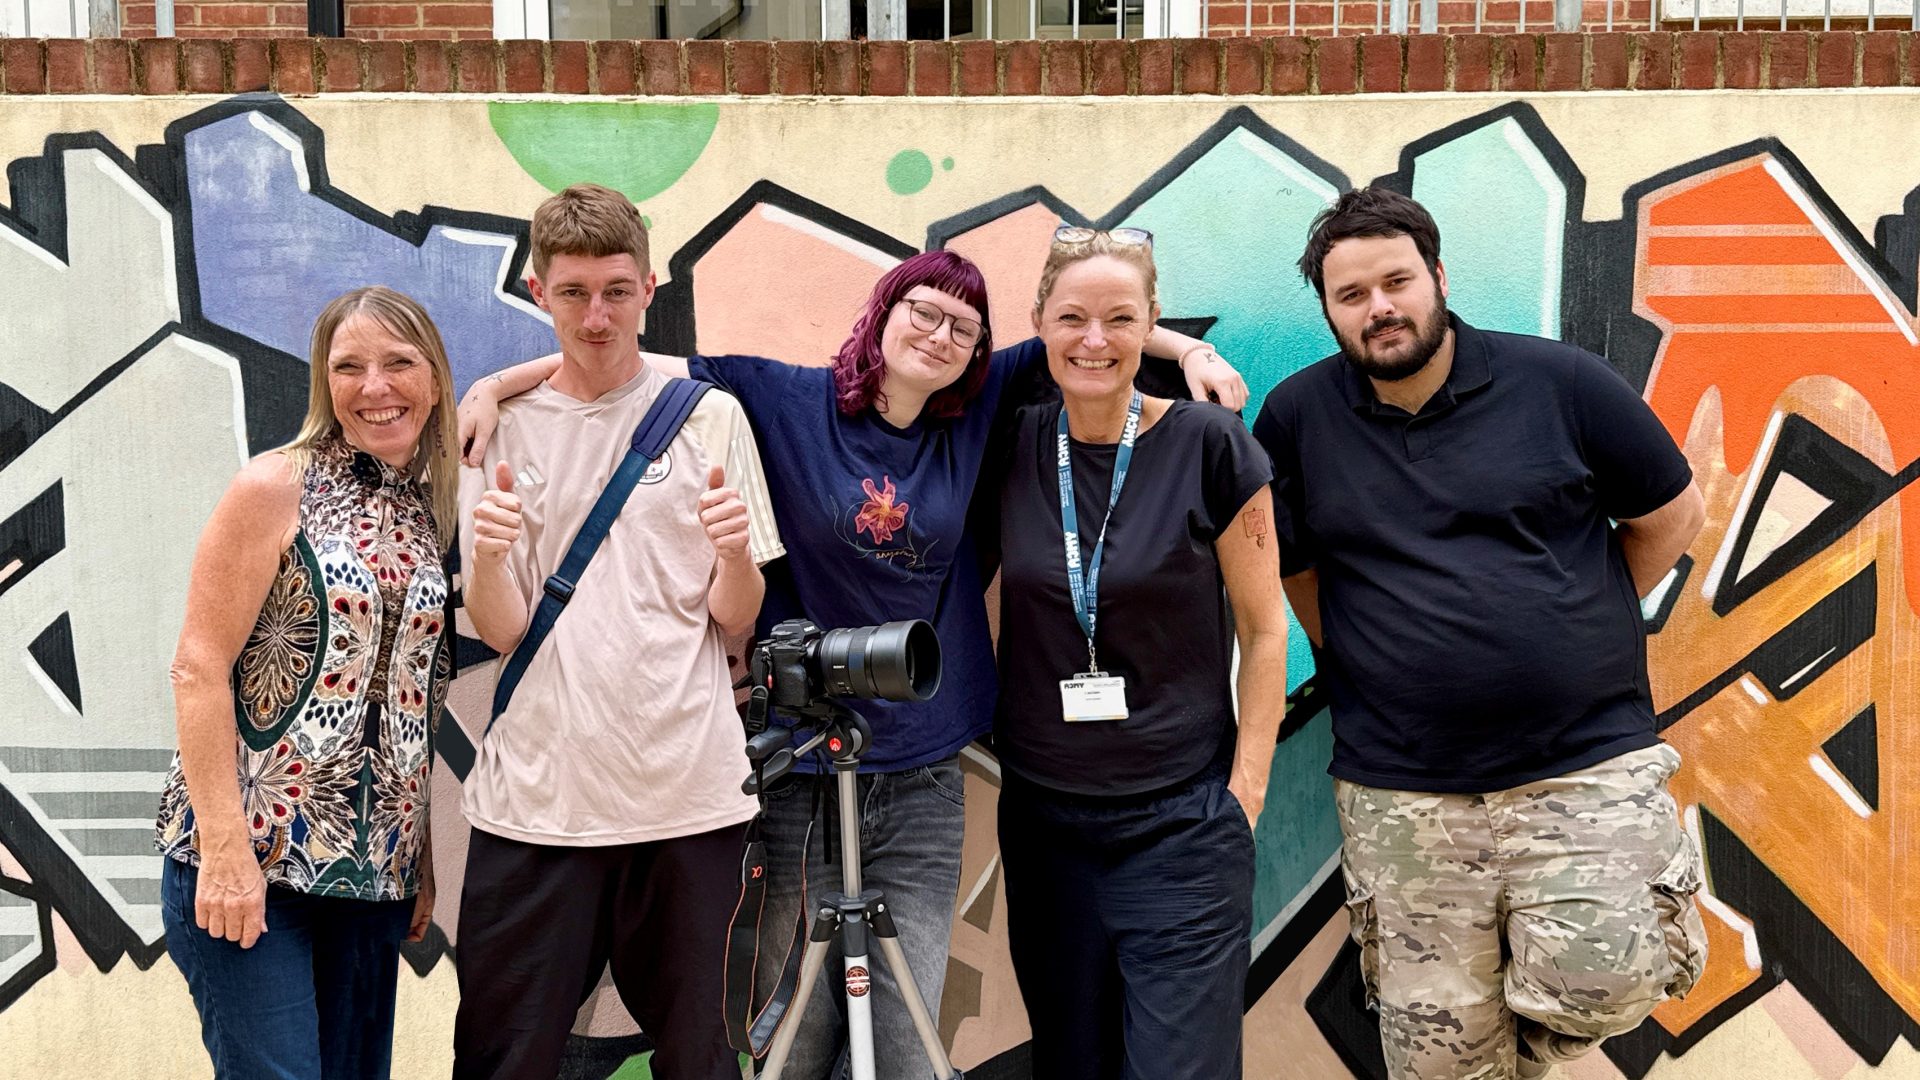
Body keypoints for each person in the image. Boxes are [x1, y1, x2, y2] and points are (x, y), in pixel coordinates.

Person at [459, 247, 1249, 1077]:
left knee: (905, 1044)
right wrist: (497, 385)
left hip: (925, 776)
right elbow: (621, 351)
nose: (940, 335)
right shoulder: (786, 399)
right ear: (883, 311)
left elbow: (1084, 334)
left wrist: (1189, 351)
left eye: (962, 329)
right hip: (798, 770)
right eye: (923, 312)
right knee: (785, 1035)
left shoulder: (971, 415)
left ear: (978, 353)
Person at [1251, 187, 1710, 1079]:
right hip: (1404, 792)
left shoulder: (1561, 382)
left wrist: (1583, 618)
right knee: (1437, 1053)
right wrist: (1365, 654)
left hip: (1582, 764)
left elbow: (1671, 513)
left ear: (1437, 277)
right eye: (1352, 295)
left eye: (1396, 281)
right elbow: (1295, 567)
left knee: (1608, 980)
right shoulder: (1298, 418)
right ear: (1330, 312)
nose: (1379, 308)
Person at [451, 183, 785, 1080]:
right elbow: (502, 629)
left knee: (704, 1059)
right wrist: (486, 559)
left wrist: (735, 557)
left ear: (648, 287)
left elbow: (734, 622)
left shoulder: (709, 416)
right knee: (503, 1057)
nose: (596, 316)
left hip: (690, 800)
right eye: (572, 293)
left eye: (615, 291)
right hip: (537, 807)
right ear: (537, 291)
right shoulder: (498, 429)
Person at [989, 226, 1288, 1079]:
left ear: (1149, 321)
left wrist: (1246, 795)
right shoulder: (1008, 442)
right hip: (1047, 825)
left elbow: (1268, 627)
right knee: (1072, 1064)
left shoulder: (1210, 444)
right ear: (1039, 322)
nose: (1094, 340)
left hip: (1184, 824)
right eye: (1072, 317)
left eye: (1121, 319)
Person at [155, 285, 459, 1079]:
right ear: (325, 382)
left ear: (434, 378)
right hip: (252, 867)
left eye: (399, 363)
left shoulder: (429, 510)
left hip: (373, 879)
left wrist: (417, 854)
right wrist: (224, 851)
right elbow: (198, 666)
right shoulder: (276, 487)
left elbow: (411, 699)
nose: (375, 387)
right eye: (349, 366)